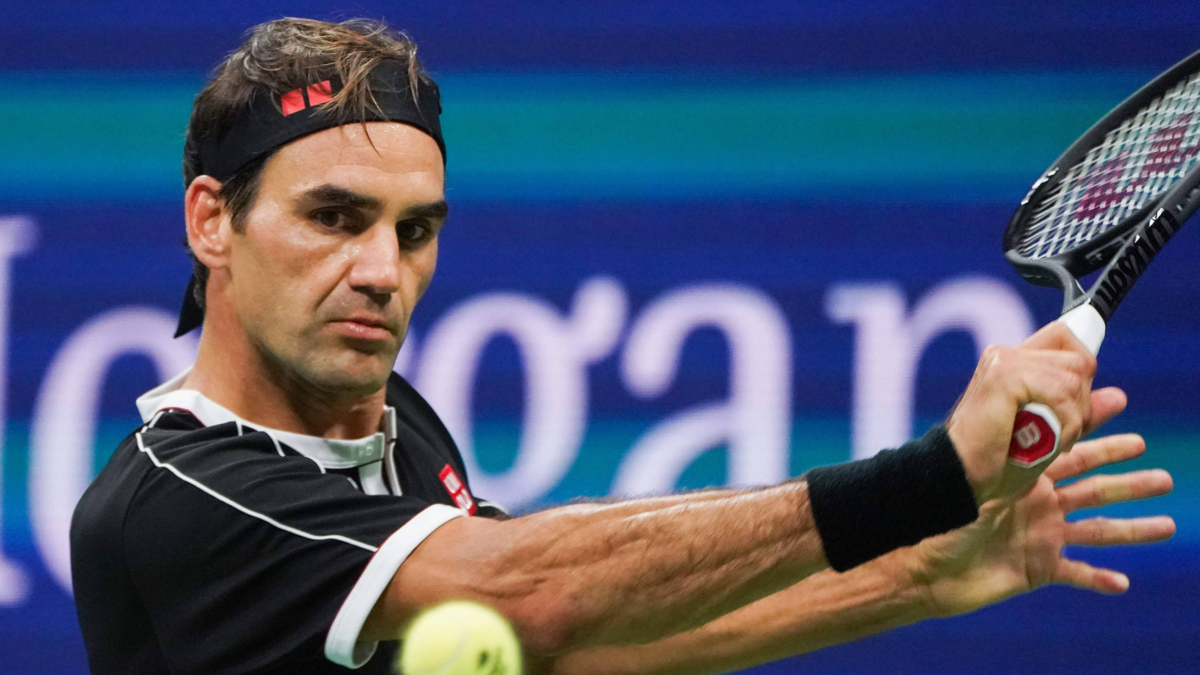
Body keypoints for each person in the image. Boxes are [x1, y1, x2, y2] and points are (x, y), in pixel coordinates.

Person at [69, 17, 1175, 675]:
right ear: (211, 221)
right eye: (333, 217)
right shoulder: (178, 500)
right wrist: (930, 480)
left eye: (414, 230)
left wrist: (913, 574)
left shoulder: (389, 419)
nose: (381, 270)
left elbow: (574, 647)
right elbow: (532, 591)